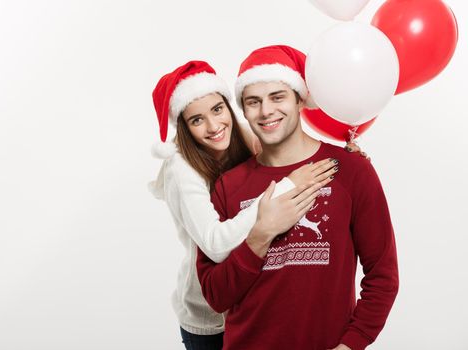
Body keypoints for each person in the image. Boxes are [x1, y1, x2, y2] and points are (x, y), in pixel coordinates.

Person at [196, 45, 399, 350]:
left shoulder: (350, 171)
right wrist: (260, 236)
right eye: (253, 102)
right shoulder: (229, 186)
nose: (266, 111)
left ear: (300, 99)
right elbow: (216, 295)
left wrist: (351, 345)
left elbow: (383, 275)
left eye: (277, 97)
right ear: (243, 109)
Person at [149, 60, 348, 349]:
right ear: (184, 127)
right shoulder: (181, 170)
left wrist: (344, 157)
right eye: (197, 120)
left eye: (217, 110)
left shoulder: (240, 134)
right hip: (210, 318)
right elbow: (216, 245)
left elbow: (290, 149)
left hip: (252, 305)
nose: (214, 126)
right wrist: (285, 190)